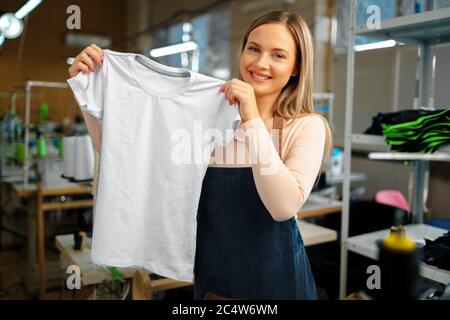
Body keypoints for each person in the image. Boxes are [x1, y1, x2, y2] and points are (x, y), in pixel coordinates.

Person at [68, 10, 332, 300]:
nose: (260, 63)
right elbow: (124, 155)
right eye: (253, 49)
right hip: (214, 281)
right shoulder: (212, 114)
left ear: (296, 67)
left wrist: (252, 119)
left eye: (278, 55)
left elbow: (282, 207)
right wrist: (86, 93)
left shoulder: (306, 126)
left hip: (278, 283)